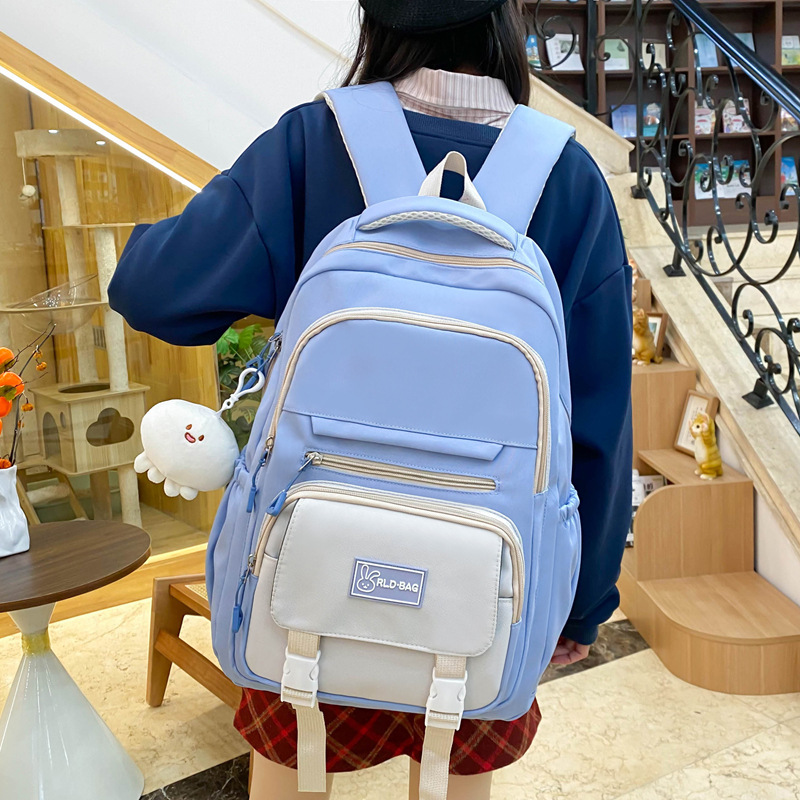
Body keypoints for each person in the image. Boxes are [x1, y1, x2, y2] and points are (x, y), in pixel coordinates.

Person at [109, 1, 633, 798]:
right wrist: (582, 605)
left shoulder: (314, 142)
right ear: (505, 18)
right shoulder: (567, 177)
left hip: (304, 578)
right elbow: (598, 426)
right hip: (490, 589)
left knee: (291, 763)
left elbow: (149, 289)